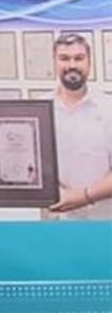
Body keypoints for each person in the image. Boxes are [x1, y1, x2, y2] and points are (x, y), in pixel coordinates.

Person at [46, 33, 112, 219]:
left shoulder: (109, 108)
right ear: (55, 63)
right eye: (64, 58)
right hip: (55, 221)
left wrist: (85, 196)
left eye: (79, 58)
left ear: (89, 63)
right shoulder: (40, 109)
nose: (72, 65)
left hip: (104, 221)